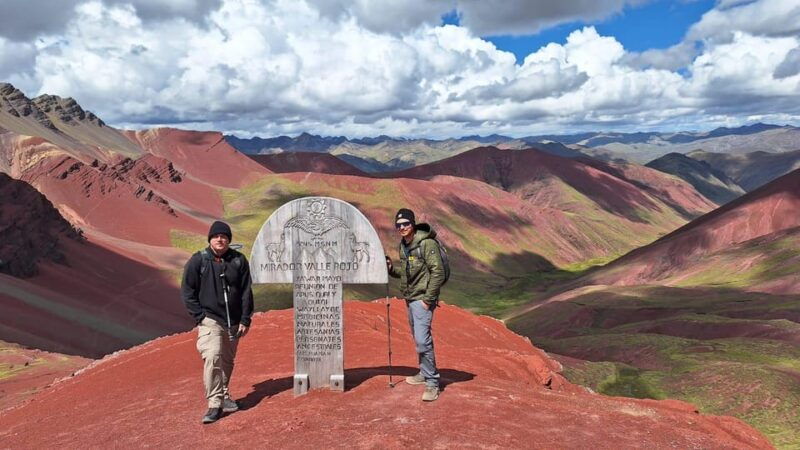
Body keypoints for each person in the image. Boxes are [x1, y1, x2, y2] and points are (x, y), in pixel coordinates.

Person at [181, 220, 254, 424]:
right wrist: (200, 317)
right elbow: (187, 291)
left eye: (224, 236)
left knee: (227, 361)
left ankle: (223, 394)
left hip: (234, 321)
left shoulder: (239, 261)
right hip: (210, 320)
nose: (220, 239)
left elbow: (247, 291)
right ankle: (214, 404)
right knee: (213, 356)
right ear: (210, 239)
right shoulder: (198, 261)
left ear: (229, 240)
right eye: (216, 236)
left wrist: (245, 319)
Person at [385, 208, 445, 402]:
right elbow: (407, 271)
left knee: (422, 340)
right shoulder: (404, 245)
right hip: (410, 299)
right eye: (399, 225)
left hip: (422, 300)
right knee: (419, 339)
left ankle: (432, 383)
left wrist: (428, 299)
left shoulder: (426, 244)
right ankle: (424, 373)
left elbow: (438, 272)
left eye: (406, 223)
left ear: (413, 224)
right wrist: (392, 270)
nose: (402, 227)